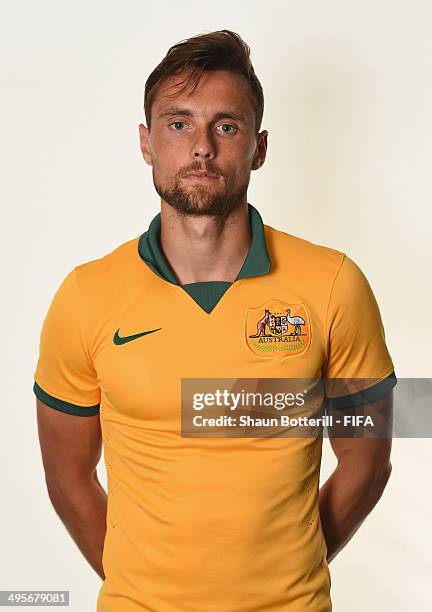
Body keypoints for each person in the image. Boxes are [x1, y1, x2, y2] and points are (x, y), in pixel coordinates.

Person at [33, 29, 397, 612]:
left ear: (258, 147)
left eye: (226, 125)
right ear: (147, 142)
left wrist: (291, 571)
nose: (201, 146)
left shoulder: (333, 285)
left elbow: (368, 462)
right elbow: (67, 477)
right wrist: (146, 587)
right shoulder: (84, 297)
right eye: (178, 123)